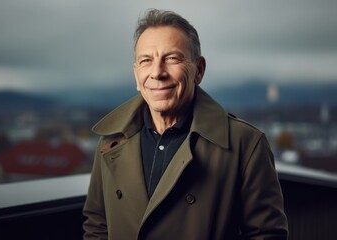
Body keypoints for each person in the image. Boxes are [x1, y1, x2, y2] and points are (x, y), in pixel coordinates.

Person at [83, 9, 288, 240]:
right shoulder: (111, 141)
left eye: (172, 59)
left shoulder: (246, 145)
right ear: (136, 75)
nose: (157, 72)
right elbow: (97, 225)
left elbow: (267, 236)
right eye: (146, 61)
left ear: (198, 71)